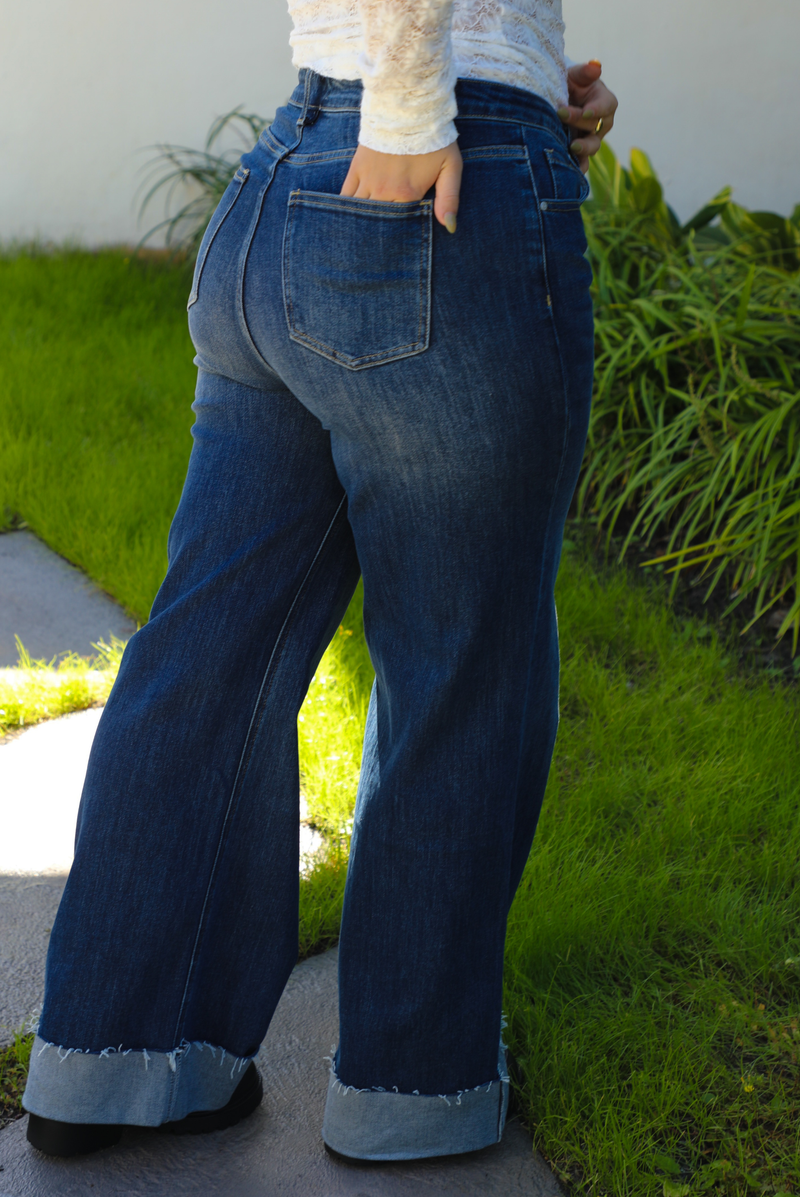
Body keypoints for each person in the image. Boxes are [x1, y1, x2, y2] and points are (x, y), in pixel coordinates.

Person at [23, 0, 617, 1162]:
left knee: (208, 653)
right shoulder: (412, 125)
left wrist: (535, 75)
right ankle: (412, 1087)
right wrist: (410, 110)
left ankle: (114, 1058)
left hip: (285, 176)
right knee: (458, 666)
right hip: (428, 176)